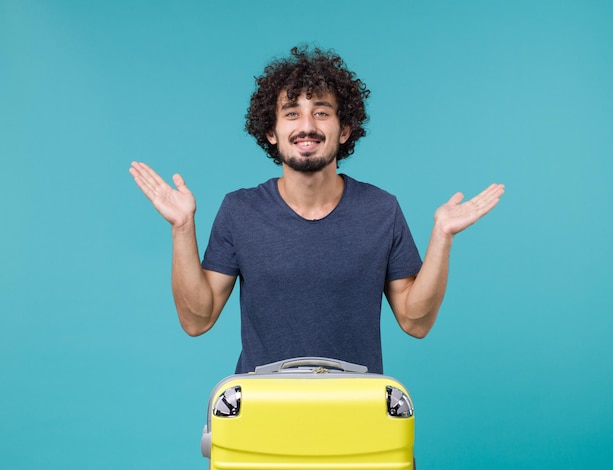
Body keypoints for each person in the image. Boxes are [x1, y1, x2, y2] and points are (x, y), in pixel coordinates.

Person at [129, 46, 504, 374]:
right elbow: (197, 319)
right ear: (271, 132)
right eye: (291, 113)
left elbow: (415, 321)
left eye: (321, 112)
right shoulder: (239, 210)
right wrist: (182, 228)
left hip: (357, 416)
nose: (307, 126)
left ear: (344, 130)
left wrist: (442, 237)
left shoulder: (381, 209)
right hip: (265, 416)